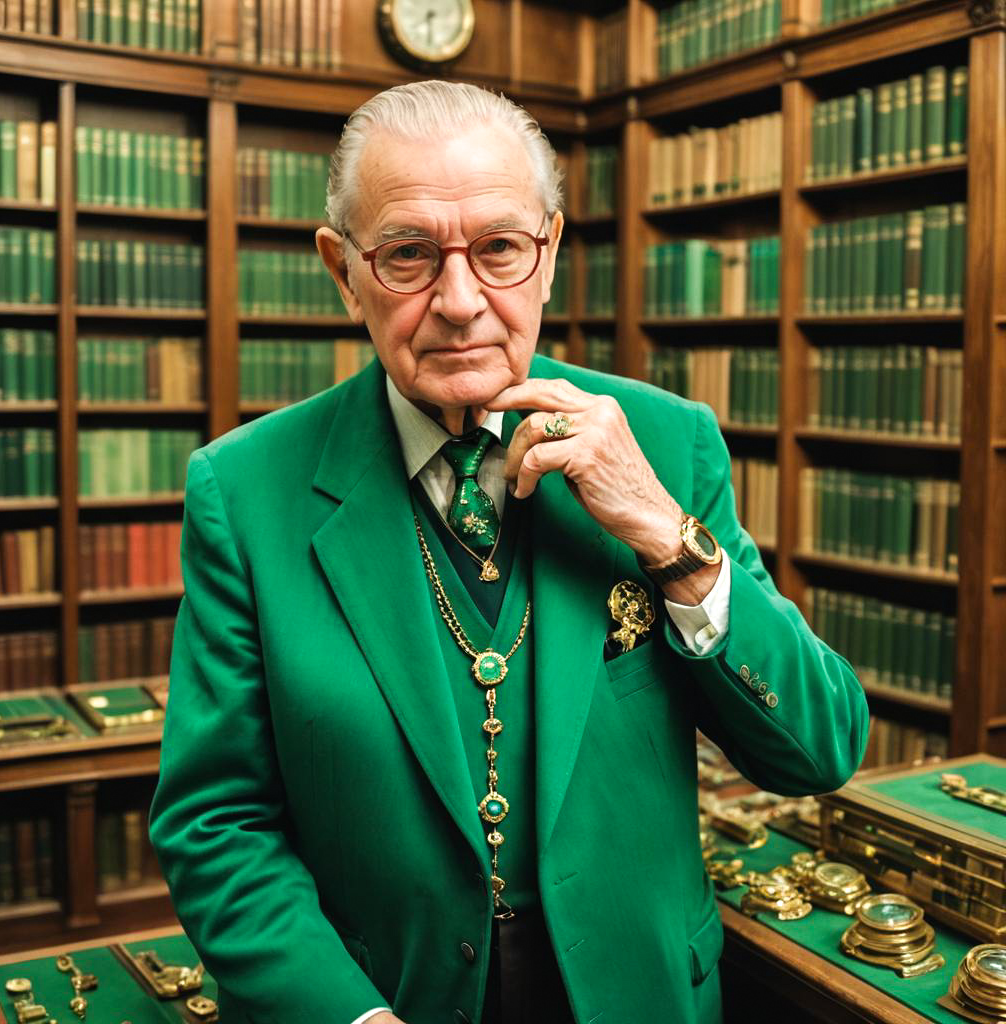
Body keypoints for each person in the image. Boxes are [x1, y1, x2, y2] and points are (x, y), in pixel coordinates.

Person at [148, 80, 868, 1024]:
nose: (459, 302)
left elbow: (819, 749)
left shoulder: (668, 441)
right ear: (342, 268)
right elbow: (215, 825)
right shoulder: (243, 492)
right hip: (383, 995)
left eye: (498, 249)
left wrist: (663, 532)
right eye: (408, 254)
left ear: (550, 254)